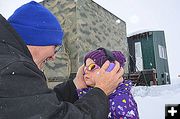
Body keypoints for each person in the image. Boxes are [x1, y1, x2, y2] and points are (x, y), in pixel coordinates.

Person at [0, 1, 124, 119]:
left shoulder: (8, 61)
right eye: (55, 47)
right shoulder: (13, 67)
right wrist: (101, 91)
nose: (54, 56)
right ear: (38, 39)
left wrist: (75, 85)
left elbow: (39, 105)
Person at [76, 48, 139, 119]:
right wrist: (81, 91)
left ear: (110, 69)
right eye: (85, 68)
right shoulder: (90, 93)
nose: (86, 71)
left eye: (92, 67)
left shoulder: (121, 100)